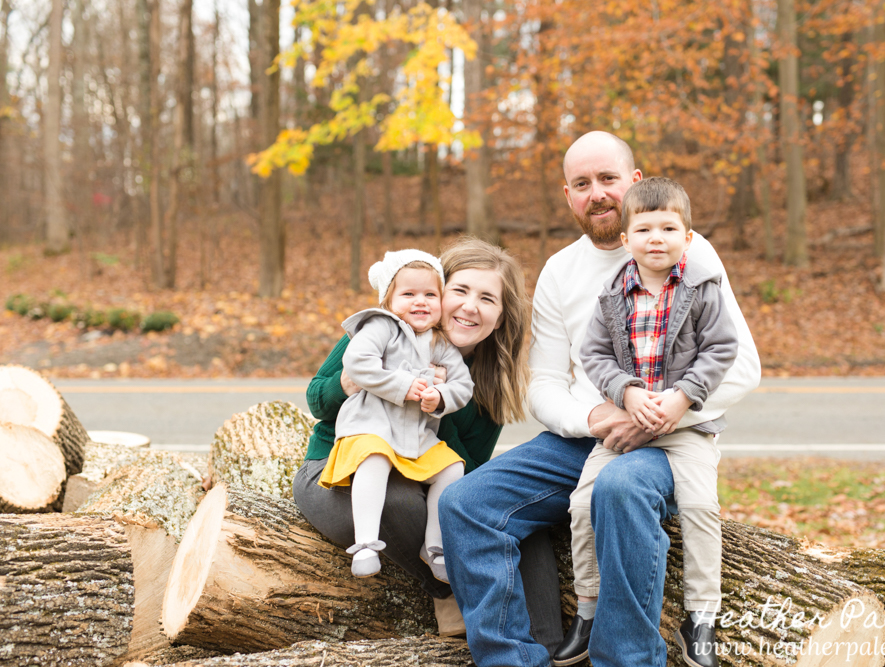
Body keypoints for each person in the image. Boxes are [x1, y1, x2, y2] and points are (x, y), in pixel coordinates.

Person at [439, 131, 761, 667]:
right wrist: (596, 415)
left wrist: (663, 412)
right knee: (466, 503)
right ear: (569, 196)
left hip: (670, 440)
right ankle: (512, 658)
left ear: (633, 182)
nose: (598, 194)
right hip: (590, 435)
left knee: (617, 485)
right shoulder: (561, 271)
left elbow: (741, 366)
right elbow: (541, 385)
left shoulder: (686, 249)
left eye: (608, 179)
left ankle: (627, 658)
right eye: (582, 185)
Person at [293, 238, 561, 640]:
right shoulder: (385, 329)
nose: (470, 306)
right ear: (436, 290)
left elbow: (467, 472)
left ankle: (551, 644)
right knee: (398, 498)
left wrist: (439, 403)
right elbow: (316, 399)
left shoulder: (485, 384)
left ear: (502, 317)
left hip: (422, 475)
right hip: (339, 472)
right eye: (460, 290)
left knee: (522, 521)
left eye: (488, 298)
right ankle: (446, 591)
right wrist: (355, 381)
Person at [554, 177, 739, 667]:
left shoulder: (702, 287)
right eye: (644, 229)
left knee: (700, 508)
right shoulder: (612, 295)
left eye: (668, 228)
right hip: (627, 425)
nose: (656, 238)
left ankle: (701, 616)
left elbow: (723, 349)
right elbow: (591, 353)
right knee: (581, 504)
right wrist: (626, 390)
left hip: (686, 430)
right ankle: (589, 608)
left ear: (688, 236)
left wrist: (683, 398)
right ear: (625, 238)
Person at [315, 249, 474, 579]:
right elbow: (358, 363)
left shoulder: (439, 342)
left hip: (416, 437)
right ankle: (366, 544)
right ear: (388, 299)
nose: (421, 302)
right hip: (370, 427)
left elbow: (463, 385)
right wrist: (403, 384)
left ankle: (434, 546)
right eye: (409, 294)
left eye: (431, 294)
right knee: (374, 458)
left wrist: (440, 396)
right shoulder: (381, 327)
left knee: (452, 468)